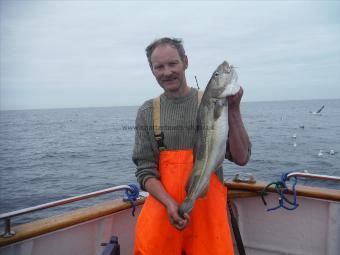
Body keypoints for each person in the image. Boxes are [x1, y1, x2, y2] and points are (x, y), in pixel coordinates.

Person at [132, 37, 251, 255]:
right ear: (152, 70)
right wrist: (170, 204)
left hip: (208, 220)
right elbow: (145, 171)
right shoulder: (147, 112)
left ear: (185, 62)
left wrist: (234, 109)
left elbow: (242, 158)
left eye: (173, 63)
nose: (167, 72)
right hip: (163, 217)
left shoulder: (215, 104)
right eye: (159, 66)